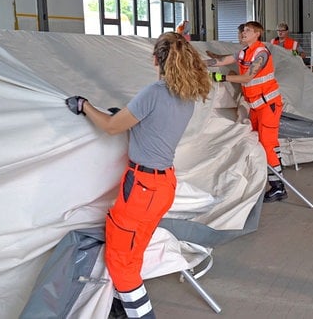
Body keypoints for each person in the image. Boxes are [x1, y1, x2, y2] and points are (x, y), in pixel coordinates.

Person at [65, 32, 211, 318]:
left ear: (156, 58)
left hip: (142, 188)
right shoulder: (186, 95)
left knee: (121, 261)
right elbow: (156, 128)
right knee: (133, 251)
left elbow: (110, 126)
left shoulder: (154, 93)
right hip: (163, 184)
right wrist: (130, 116)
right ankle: (122, 306)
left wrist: (84, 105)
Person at [206, 21, 287, 203]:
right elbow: (222, 60)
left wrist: (221, 77)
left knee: (266, 143)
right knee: (264, 141)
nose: (243, 33)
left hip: (269, 105)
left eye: (248, 30)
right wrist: (197, 64)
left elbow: (248, 76)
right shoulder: (244, 52)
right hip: (257, 106)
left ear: (257, 34)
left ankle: (278, 187)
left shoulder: (261, 53)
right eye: (243, 30)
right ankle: (278, 171)